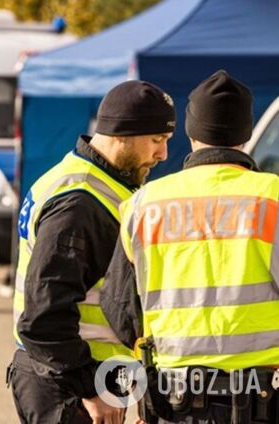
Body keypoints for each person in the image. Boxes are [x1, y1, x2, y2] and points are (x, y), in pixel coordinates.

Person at [101, 70, 279, 424]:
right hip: (262, 399)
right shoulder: (271, 198)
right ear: (245, 133)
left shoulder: (144, 204)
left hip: (173, 402)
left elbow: (120, 310)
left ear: (191, 132)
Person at [8, 80, 176, 424]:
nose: (163, 155)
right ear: (121, 135)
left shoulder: (81, 178)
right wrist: (90, 388)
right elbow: (42, 317)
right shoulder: (81, 203)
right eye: (156, 141)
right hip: (68, 384)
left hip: (70, 375)